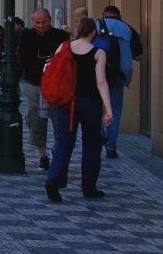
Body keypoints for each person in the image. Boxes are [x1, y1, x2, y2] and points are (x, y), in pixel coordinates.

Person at [45, 16, 115, 202]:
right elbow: (101, 82)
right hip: (90, 104)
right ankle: (89, 187)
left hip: (66, 103)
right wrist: (109, 108)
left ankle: (54, 179)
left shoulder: (64, 47)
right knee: (92, 145)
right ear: (93, 33)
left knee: (64, 143)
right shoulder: (98, 53)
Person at [18, 9, 69, 171]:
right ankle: (43, 156)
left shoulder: (61, 36)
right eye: (37, 23)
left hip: (56, 85)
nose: (40, 26)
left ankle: (56, 154)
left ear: (50, 20)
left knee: (57, 120)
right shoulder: (26, 36)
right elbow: (22, 60)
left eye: (43, 22)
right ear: (32, 22)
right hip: (33, 83)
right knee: (37, 121)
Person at [97, 4, 142, 159]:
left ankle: (98, 134)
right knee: (114, 110)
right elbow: (138, 53)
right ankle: (111, 146)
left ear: (104, 14)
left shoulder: (96, 25)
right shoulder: (127, 28)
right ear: (119, 15)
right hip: (119, 75)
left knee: (96, 107)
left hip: (98, 74)